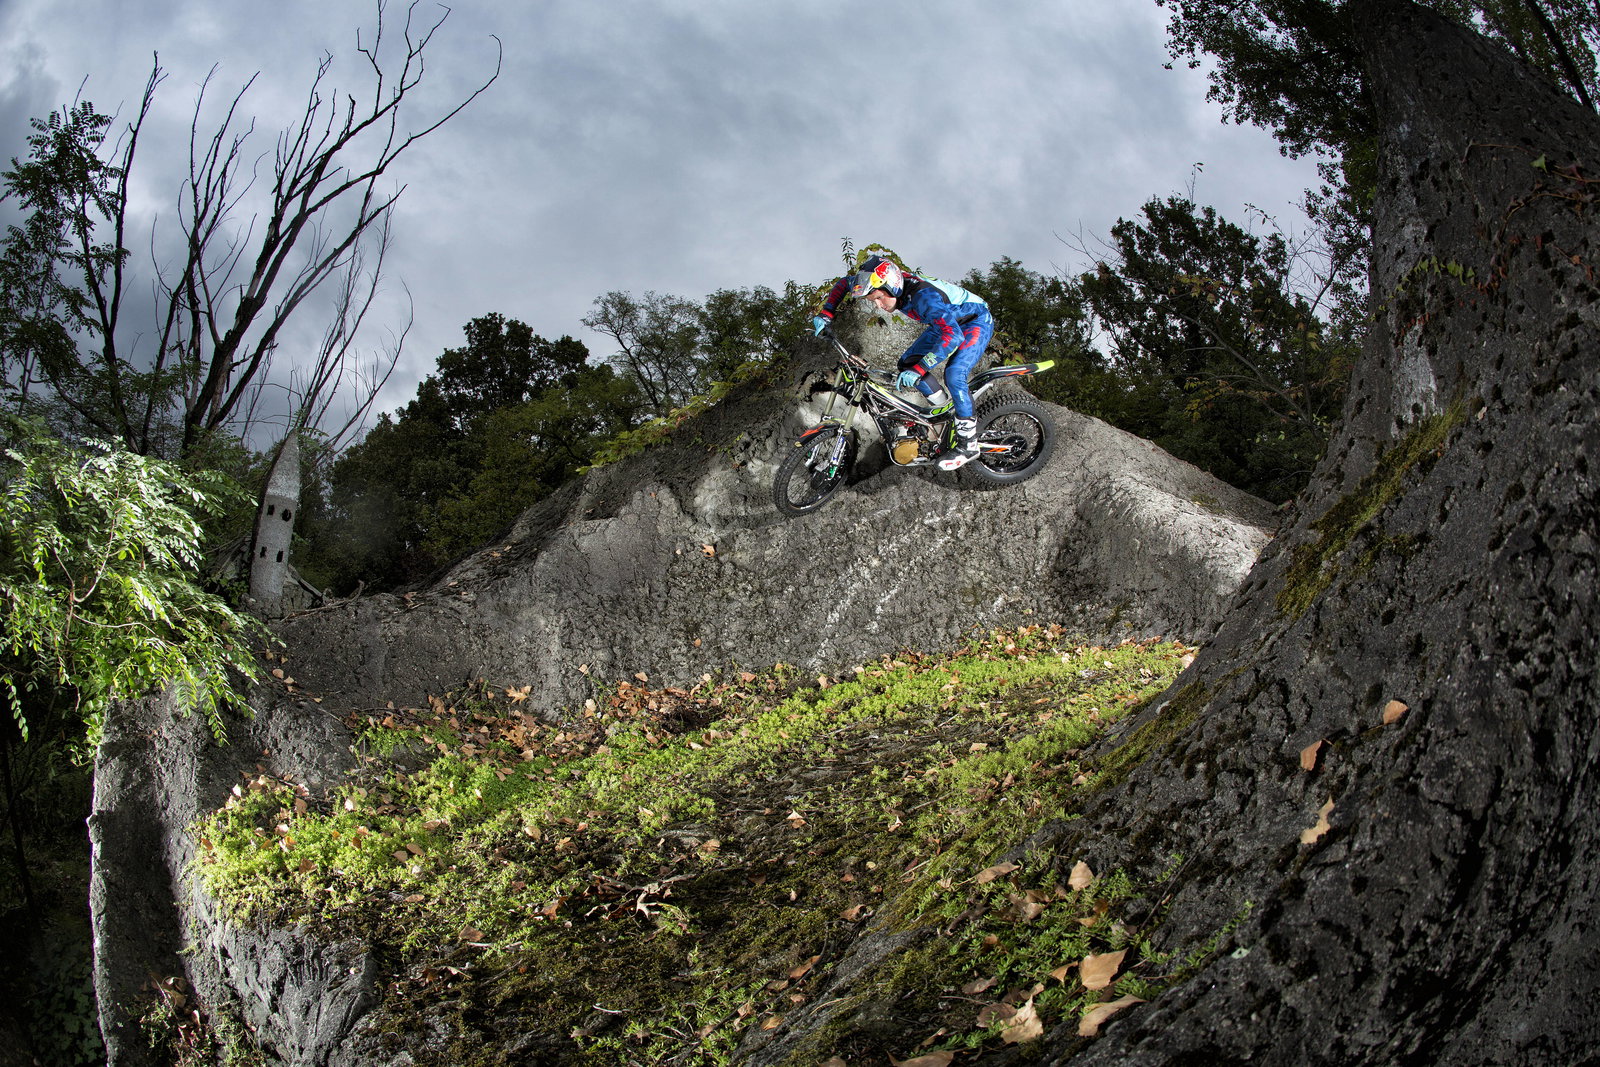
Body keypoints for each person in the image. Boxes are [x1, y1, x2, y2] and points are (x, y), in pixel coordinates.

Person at [811, 254, 994, 470]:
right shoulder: (879, 280)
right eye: (873, 301)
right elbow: (844, 283)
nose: (878, 306)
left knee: (954, 374)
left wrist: (920, 369)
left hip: (975, 321)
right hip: (946, 323)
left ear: (892, 287)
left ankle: (968, 444)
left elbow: (953, 336)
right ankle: (946, 413)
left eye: (879, 298)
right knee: (907, 363)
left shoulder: (923, 298)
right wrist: (826, 313)